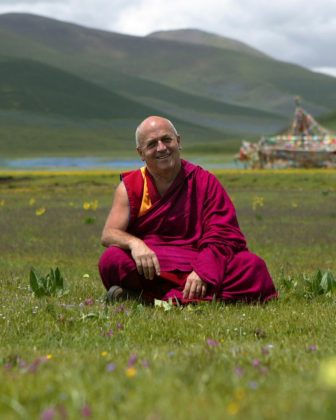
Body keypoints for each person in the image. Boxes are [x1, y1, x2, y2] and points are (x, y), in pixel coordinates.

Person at [98, 116, 277, 304]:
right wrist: (136, 245)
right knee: (112, 259)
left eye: (166, 140)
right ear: (140, 153)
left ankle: (150, 299)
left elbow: (223, 234)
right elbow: (109, 234)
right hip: (155, 264)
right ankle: (187, 298)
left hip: (199, 258)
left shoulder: (204, 181)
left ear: (178, 141)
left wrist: (203, 271)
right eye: (152, 144)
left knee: (253, 267)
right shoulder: (131, 186)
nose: (161, 148)